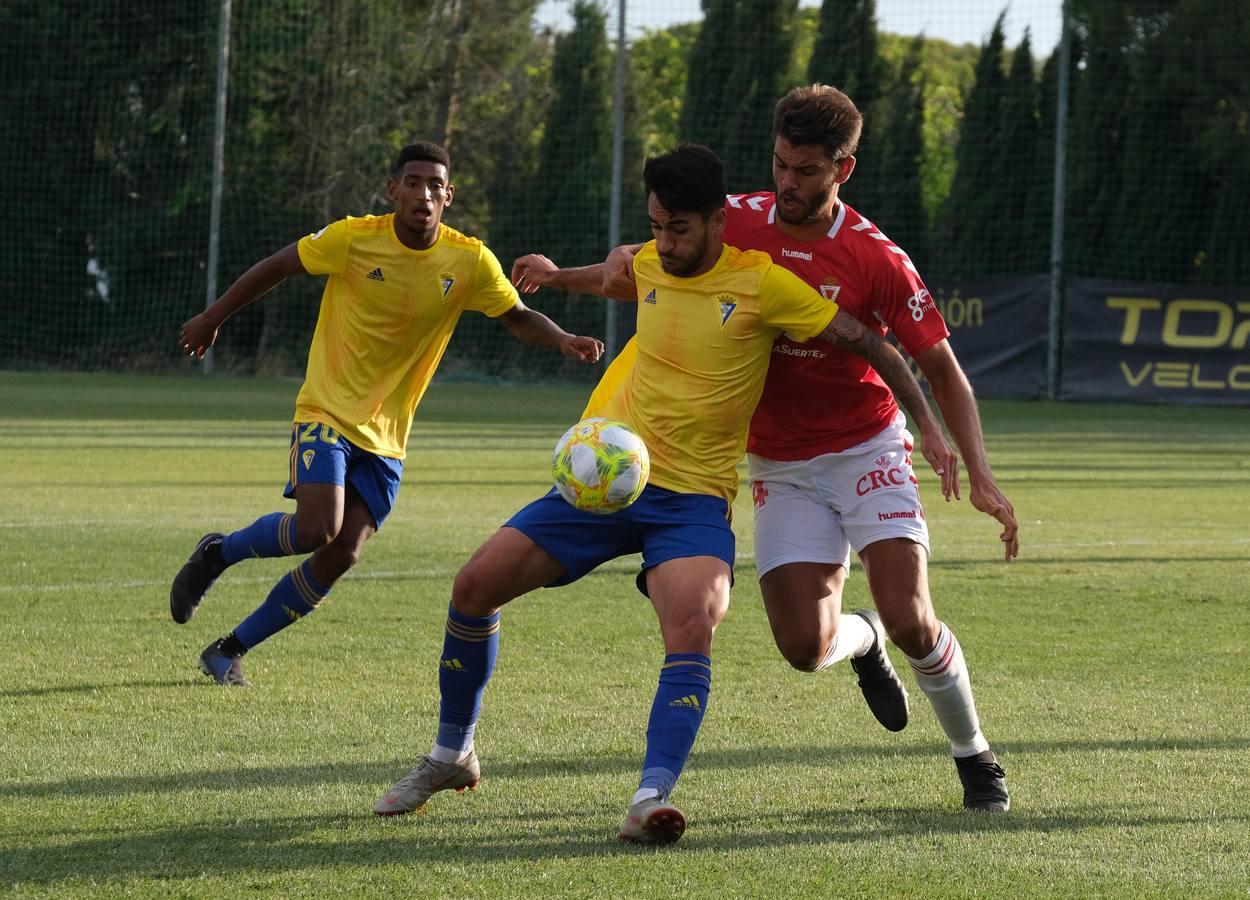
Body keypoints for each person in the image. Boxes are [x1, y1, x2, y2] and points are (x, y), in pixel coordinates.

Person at [374, 143, 956, 845]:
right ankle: (451, 753)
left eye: (679, 228)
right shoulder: (653, 260)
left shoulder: (763, 284)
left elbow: (870, 342)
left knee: (693, 626)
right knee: (474, 586)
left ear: (717, 222)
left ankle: (651, 798)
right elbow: (619, 280)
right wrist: (559, 277)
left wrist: (927, 427)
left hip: (692, 500)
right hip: (606, 484)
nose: (664, 242)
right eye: (655, 226)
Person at [512, 85, 1019, 812]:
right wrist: (564, 276)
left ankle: (975, 757)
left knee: (911, 613)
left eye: (807, 170)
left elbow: (941, 367)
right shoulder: (739, 220)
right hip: (779, 460)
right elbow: (649, 270)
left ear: (843, 169)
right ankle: (863, 643)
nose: (788, 182)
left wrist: (976, 469)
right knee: (804, 648)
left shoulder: (877, 259)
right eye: (781, 164)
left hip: (865, 444)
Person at [170, 141, 603, 687]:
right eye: (413, 182)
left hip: (388, 434)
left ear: (449, 196)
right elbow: (279, 266)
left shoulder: (468, 260)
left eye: (434, 185)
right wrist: (213, 317)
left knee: (342, 552)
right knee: (316, 529)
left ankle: (229, 649)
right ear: (393, 189)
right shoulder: (353, 238)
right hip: (326, 407)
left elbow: (516, 316)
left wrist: (563, 338)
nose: (423, 193)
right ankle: (220, 551)